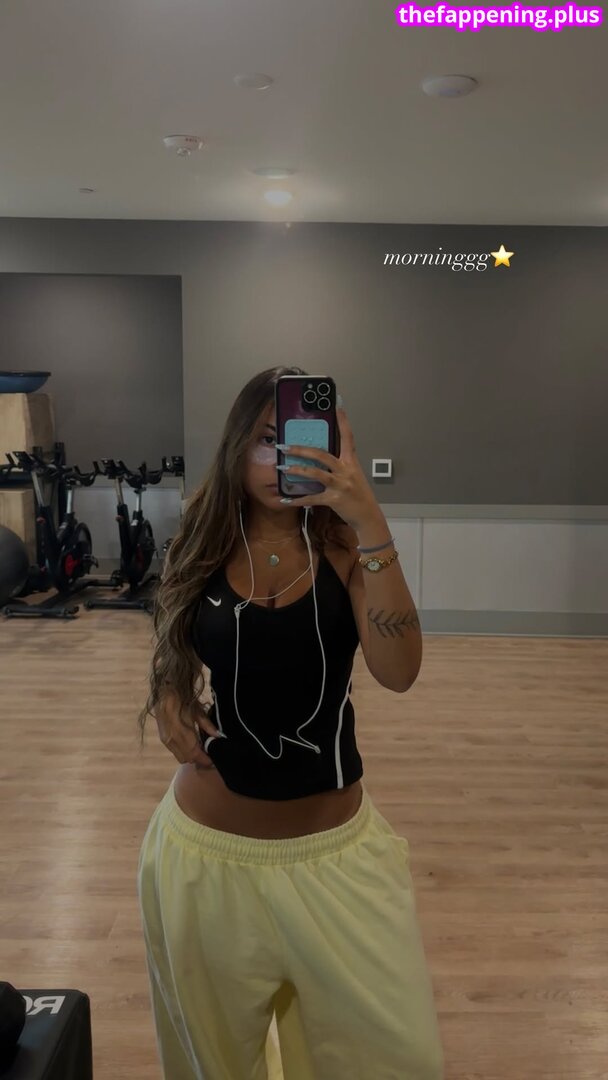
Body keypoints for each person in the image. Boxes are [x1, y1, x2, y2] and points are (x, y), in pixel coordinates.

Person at [137, 366, 444, 1079]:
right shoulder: (200, 542)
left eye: (303, 439)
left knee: (402, 1060)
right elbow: (173, 641)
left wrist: (370, 519)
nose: (283, 458)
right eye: (265, 440)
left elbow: (399, 672)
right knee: (217, 1066)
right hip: (204, 862)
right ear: (235, 448)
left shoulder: (346, 549)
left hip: (336, 864)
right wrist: (167, 689)